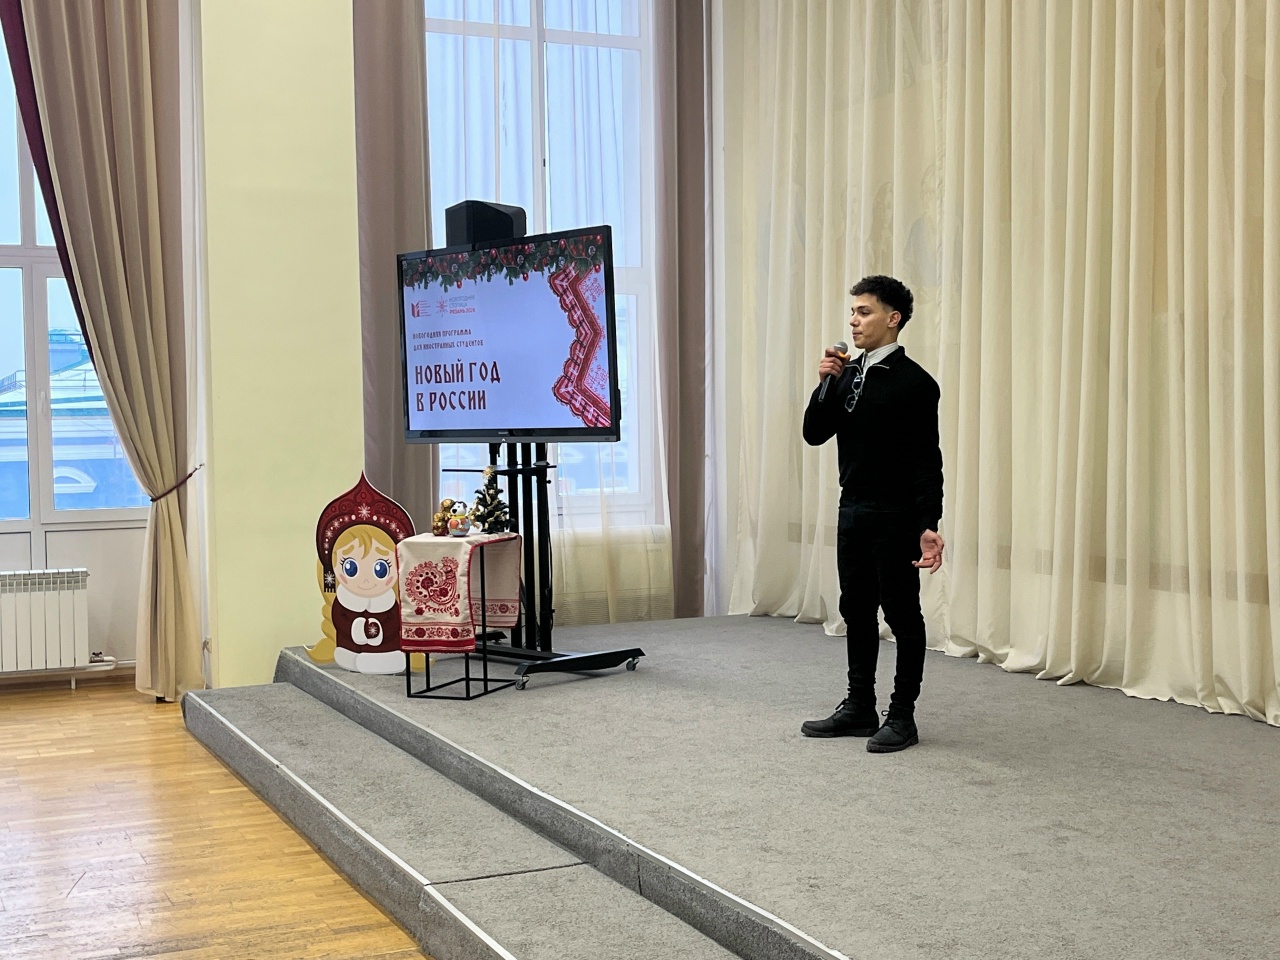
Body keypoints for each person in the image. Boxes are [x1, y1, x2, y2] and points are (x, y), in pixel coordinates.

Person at [800, 275, 944, 753]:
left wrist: (928, 524)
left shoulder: (916, 383)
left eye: (864, 312)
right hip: (853, 509)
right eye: (853, 312)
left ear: (893, 318)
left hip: (896, 514)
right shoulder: (845, 374)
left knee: (902, 614)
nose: (853, 321)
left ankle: (902, 716)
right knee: (855, 609)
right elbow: (814, 434)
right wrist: (824, 384)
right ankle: (860, 705)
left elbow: (927, 460)